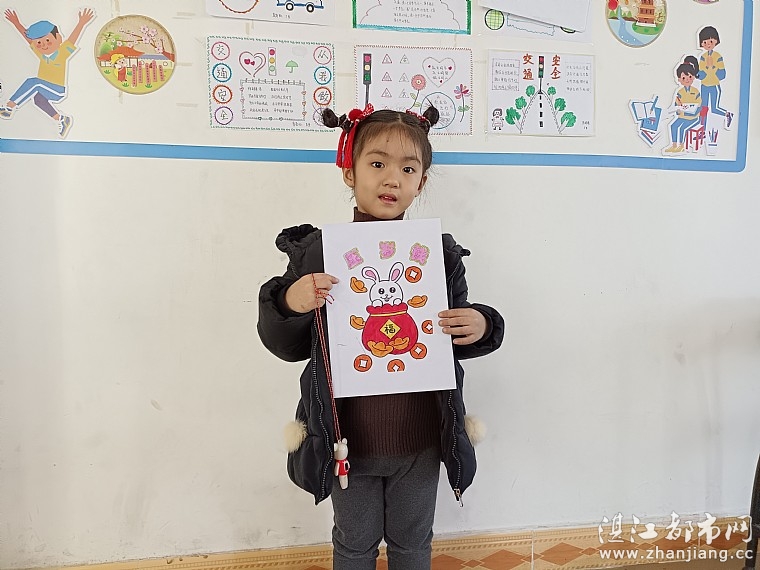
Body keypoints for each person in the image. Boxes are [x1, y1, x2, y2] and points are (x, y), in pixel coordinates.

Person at [257, 104, 505, 569]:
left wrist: (481, 324)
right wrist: (291, 301)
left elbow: (451, 331)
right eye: (377, 163)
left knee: (413, 541)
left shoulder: (439, 257)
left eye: (408, 169)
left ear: (421, 182)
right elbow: (285, 345)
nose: (392, 179)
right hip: (346, 438)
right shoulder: (319, 254)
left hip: (421, 435)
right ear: (349, 173)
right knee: (354, 544)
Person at [0, 8, 95, 138]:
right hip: (44, 89)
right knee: (38, 100)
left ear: (58, 38)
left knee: (34, 83)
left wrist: (81, 23)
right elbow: (28, 39)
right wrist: (16, 23)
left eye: (48, 41)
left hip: (57, 90)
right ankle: (61, 119)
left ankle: (9, 107)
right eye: (39, 43)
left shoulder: (62, 53)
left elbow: (72, 40)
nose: (44, 45)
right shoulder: (41, 55)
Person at [663, 56, 702, 154]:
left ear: (693, 77)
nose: (687, 80)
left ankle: (681, 146)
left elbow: (699, 106)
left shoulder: (696, 91)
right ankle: (674, 145)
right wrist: (678, 109)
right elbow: (676, 105)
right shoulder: (680, 92)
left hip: (693, 118)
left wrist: (693, 112)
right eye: (683, 78)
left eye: (689, 77)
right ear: (679, 80)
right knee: (673, 126)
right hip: (682, 116)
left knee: (682, 128)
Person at [696, 25, 733, 129]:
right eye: (705, 42)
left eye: (711, 41)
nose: (708, 44)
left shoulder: (717, 57)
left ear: (716, 41)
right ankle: (702, 128)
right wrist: (698, 72)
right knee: (703, 108)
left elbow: (722, 75)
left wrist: (712, 67)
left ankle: (728, 114)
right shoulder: (702, 57)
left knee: (714, 108)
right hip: (704, 86)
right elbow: (701, 75)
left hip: (714, 86)